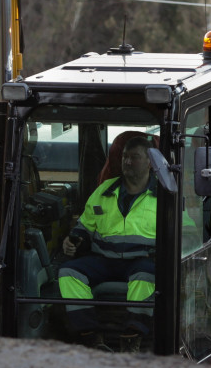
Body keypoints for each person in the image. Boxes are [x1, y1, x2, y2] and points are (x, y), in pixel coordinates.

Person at [58, 135, 158, 351]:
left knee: (146, 276)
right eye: (125, 157)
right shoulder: (104, 191)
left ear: (150, 161)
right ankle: (91, 337)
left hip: (142, 261)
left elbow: (186, 231)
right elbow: (83, 227)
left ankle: (132, 338)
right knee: (68, 272)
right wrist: (72, 240)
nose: (128, 162)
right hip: (104, 260)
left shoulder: (164, 195)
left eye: (135, 157)